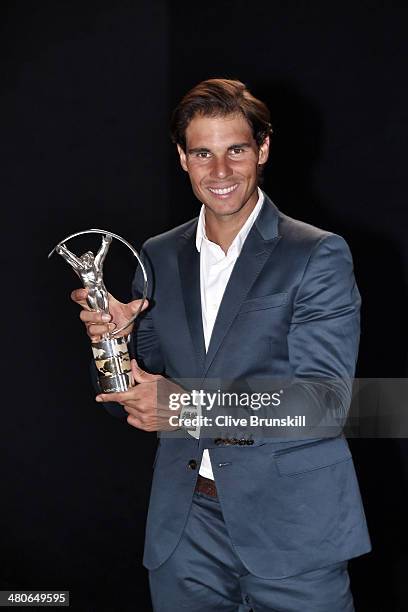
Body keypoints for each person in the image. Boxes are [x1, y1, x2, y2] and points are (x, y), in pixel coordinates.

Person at [72, 79, 371, 611]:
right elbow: (142, 395)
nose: (221, 172)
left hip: (294, 527)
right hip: (186, 529)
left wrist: (185, 406)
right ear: (183, 159)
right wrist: (115, 345)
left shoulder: (317, 254)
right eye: (203, 154)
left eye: (235, 150)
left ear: (263, 148)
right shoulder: (159, 256)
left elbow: (325, 404)